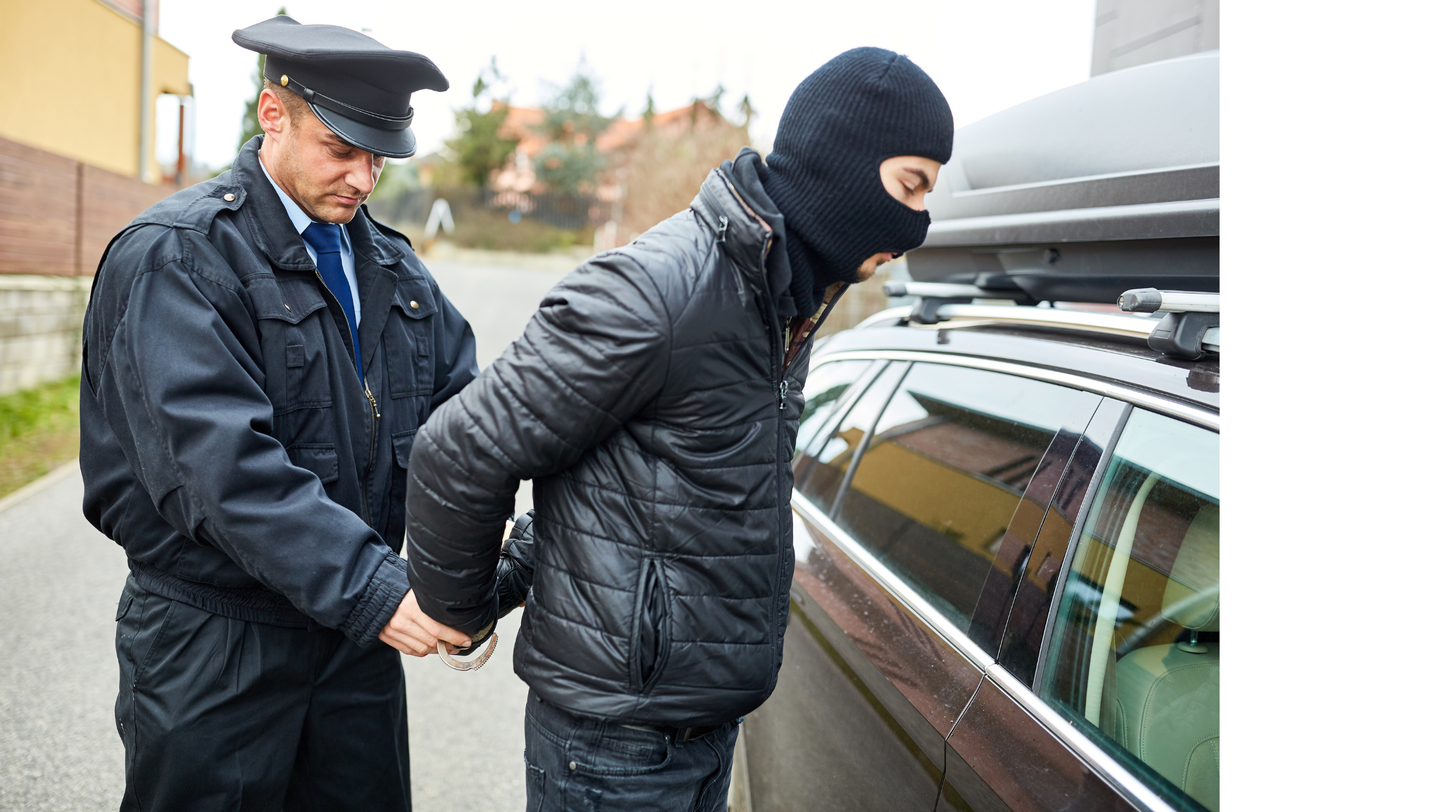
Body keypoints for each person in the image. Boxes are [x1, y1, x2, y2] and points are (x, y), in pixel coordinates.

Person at [404, 47, 955, 811]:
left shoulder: (783, 302)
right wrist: (459, 613)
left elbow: (641, 481)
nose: (918, 221)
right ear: (840, 167)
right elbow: (460, 450)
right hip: (614, 745)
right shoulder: (660, 293)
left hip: (699, 728)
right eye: (910, 185)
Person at [79, 16, 476, 811]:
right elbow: (220, 467)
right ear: (273, 114)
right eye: (341, 149)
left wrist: (485, 536)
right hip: (215, 643)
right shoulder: (179, 256)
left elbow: (465, 422)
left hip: (348, 644)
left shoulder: (395, 268)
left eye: (379, 157)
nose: (364, 179)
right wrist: (372, 588)